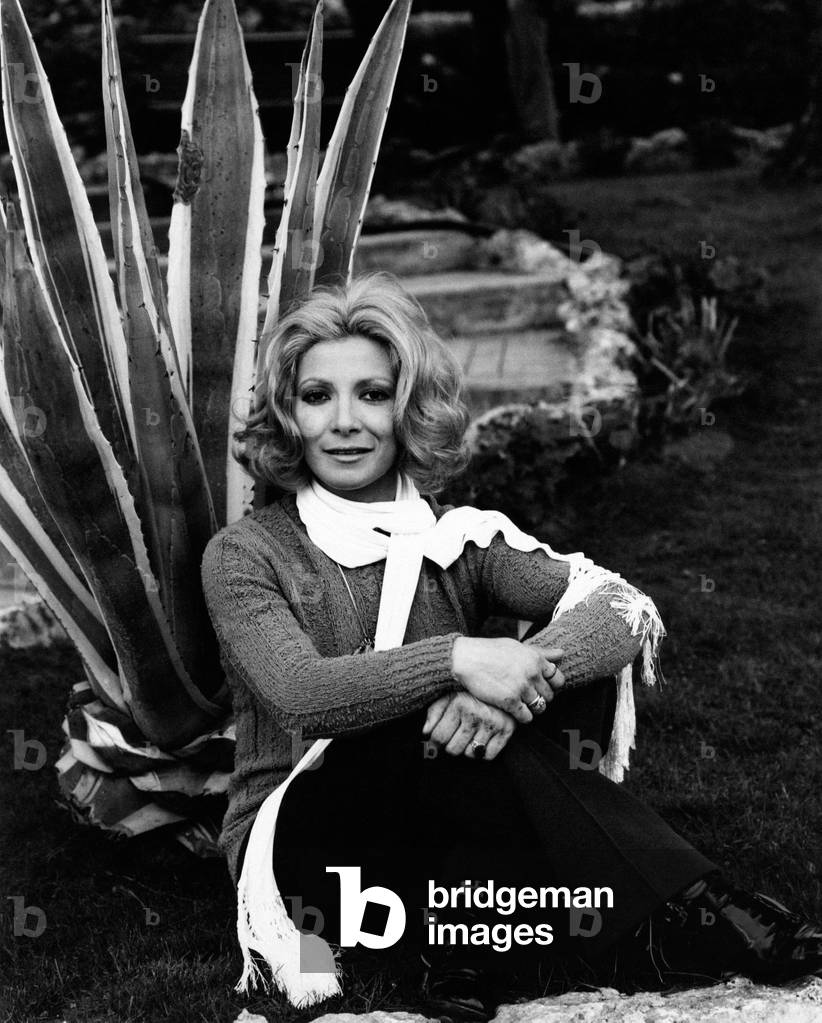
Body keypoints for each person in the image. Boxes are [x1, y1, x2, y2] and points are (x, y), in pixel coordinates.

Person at [201, 272, 822, 1021]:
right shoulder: (246, 553)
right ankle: (694, 906)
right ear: (287, 414)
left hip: (442, 818)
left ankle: (461, 948)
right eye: (316, 396)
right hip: (306, 836)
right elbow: (301, 693)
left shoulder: (460, 538)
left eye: (371, 393)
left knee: (563, 670)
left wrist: (511, 683)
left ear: (407, 407)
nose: (345, 422)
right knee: (403, 728)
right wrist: (459, 660)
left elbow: (624, 607)